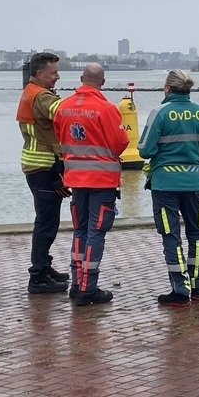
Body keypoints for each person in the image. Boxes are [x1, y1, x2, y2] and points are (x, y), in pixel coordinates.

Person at [138, 69, 199, 307]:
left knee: (171, 236)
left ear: (167, 88)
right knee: (197, 234)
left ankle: (180, 291)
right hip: (194, 183)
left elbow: (145, 150)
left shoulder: (159, 113)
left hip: (165, 185)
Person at [53, 63, 129, 306]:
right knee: (96, 231)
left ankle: (77, 283)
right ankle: (88, 288)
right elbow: (120, 144)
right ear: (102, 82)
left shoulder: (63, 107)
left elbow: (59, 137)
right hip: (101, 179)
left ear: (81, 78)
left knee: (80, 230)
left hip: (75, 178)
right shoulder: (106, 109)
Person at [16, 52, 71, 295]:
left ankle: (44, 267)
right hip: (45, 167)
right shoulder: (42, 96)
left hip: (36, 164)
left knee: (47, 220)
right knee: (46, 223)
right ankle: (38, 276)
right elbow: (67, 112)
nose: (57, 77)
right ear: (40, 74)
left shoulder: (30, 92)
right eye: (53, 72)